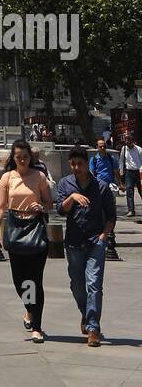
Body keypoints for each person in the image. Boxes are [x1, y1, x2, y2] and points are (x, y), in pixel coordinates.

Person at [0, 138, 53, 343]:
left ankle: (37, 326)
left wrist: (42, 207)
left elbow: (49, 203)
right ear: (14, 158)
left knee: (35, 281)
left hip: (35, 228)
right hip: (15, 228)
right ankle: (29, 308)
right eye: (19, 157)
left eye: (25, 157)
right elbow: (1, 206)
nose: (23, 160)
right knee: (20, 281)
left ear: (30, 157)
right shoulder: (7, 178)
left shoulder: (39, 177)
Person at [57, 145, 117, 346]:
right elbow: (60, 210)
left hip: (95, 242)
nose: (76, 167)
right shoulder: (65, 184)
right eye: (72, 164)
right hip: (73, 242)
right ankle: (85, 313)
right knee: (77, 285)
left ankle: (93, 329)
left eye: (79, 164)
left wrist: (104, 236)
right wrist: (72, 198)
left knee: (94, 285)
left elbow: (111, 216)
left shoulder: (101, 186)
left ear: (86, 163)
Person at [118, 133, 142, 217]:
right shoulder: (124, 149)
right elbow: (121, 161)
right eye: (126, 141)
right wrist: (121, 173)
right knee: (129, 191)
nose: (127, 143)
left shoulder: (139, 149)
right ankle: (131, 210)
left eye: (129, 141)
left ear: (133, 141)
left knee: (141, 191)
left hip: (139, 172)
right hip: (129, 172)